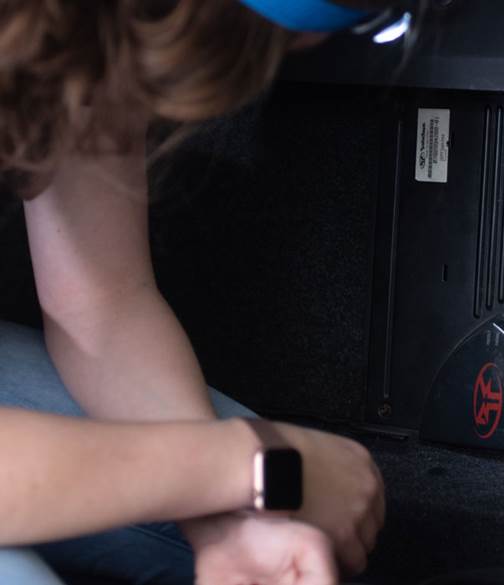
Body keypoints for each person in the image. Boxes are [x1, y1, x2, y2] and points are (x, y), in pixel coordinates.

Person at [0, 1, 398, 583]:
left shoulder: (87, 29)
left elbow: (99, 300)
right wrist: (249, 463)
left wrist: (222, 514)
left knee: (287, 525)